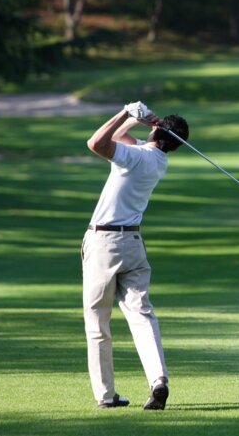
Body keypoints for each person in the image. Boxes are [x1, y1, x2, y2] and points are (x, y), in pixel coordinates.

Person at [81, 102, 189, 410]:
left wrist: (124, 114)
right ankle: (158, 380)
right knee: (142, 316)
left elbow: (96, 143)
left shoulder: (137, 157)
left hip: (104, 243)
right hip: (132, 245)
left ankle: (106, 395)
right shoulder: (157, 160)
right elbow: (121, 140)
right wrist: (137, 122)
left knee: (98, 321)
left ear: (157, 132)